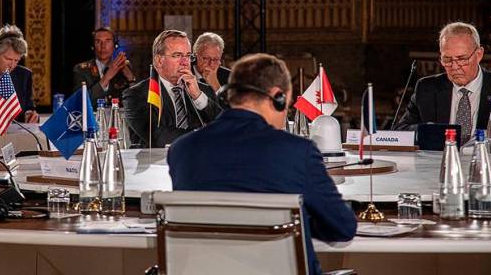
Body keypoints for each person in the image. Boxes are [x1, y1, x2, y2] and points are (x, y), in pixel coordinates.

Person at [168, 53, 356, 275]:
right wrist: (300, 220)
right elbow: (342, 227)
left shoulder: (182, 150)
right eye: (286, 104)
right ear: (277, 97)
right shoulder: (298, 152)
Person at [396, 22, 491, 143]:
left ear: (479, 54)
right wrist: (430, 131)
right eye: (447, 60)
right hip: (437, 160)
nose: (454, 66)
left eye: (462, 59)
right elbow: (401, 131)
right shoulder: (427, 88)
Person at [123, 30, 221, 147]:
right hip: (156, 163)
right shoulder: (136, 94)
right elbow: (157, 137)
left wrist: (198, 96)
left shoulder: (203, 90)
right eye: (177, 55)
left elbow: (224, 126)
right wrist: (203, 135)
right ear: (159, 61)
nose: (185, 62)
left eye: (188, 56)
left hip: (199, 161)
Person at [72, 27, 136, 106]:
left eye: (108, 41)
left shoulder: (125, 67)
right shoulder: (80, 70)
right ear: (93, 46)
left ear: (115, 45)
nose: (103, 46)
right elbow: (79, 103)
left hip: (118, 117)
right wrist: (106, 77)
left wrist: (131, 78)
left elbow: (136, 102)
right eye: (98, 42)